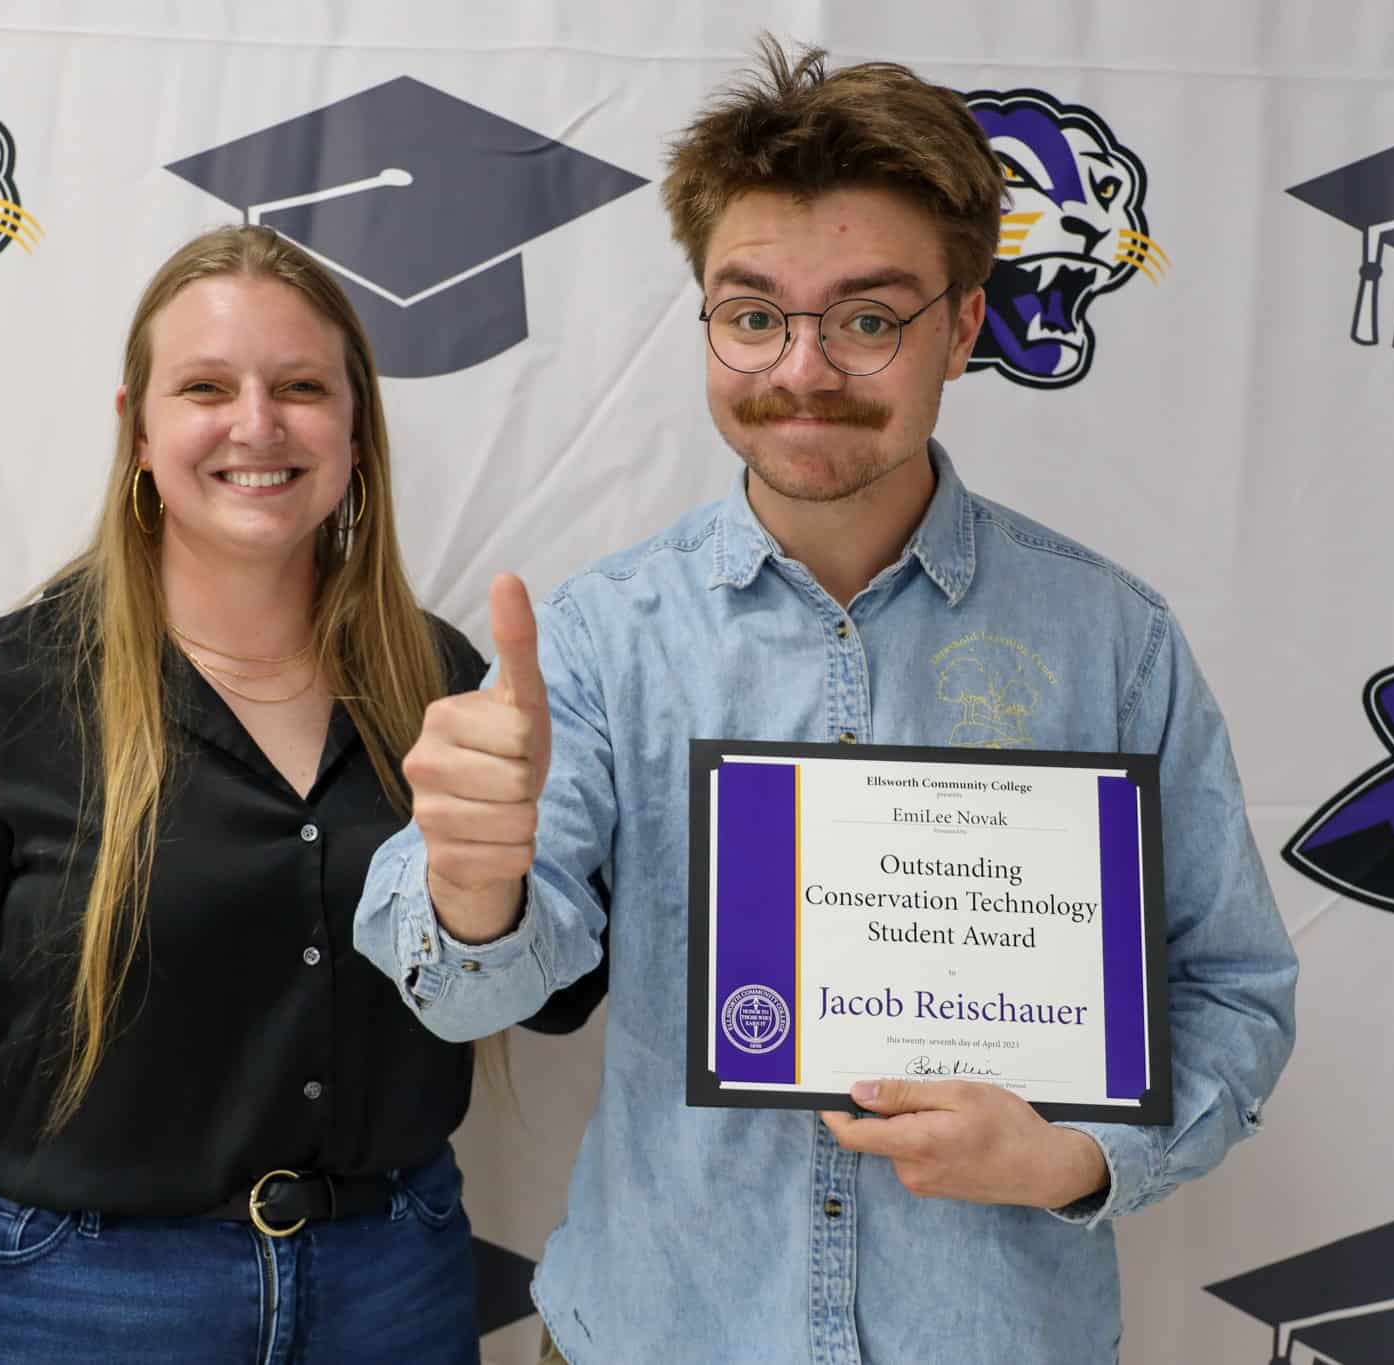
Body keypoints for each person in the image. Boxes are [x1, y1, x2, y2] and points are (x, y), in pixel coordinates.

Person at [355, 39, 1299, 1363]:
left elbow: (1233, 990)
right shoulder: (604, 635)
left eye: (867, 321)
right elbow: (464, 996)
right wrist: (472, 883)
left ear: (961, 329)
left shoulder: (1111, 643)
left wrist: (1075, 1158)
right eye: (753, 316)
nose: (801, 370)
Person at [0, 224, 593, 1365]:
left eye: (301, 387)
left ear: (357, 431)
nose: (256, 424)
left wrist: (495, 893)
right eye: (206, 388)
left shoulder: (442, 685)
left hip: (392, 1290)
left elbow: (565, 997)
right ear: (138, 430)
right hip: (78, 1309)